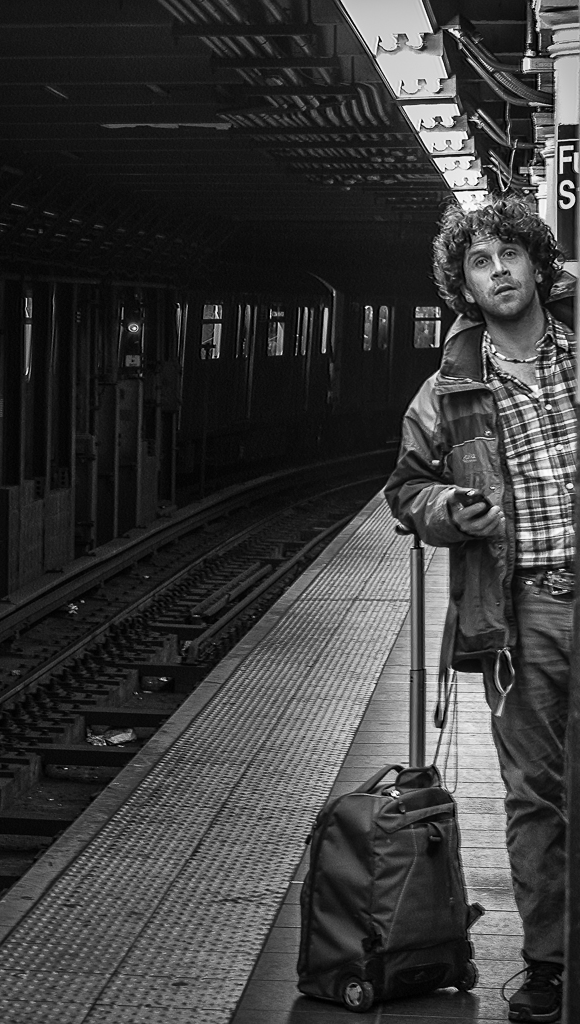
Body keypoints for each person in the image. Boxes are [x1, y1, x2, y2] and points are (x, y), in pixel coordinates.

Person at [385, 192, 574, 1024]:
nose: (498, 272)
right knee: (536, 795)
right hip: (520, 614)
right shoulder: (448, 392)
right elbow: (406, 489)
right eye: (479, 262)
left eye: (510, 255)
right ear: (464, 285)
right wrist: (447, 510)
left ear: (538, 263)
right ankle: (551, 966)